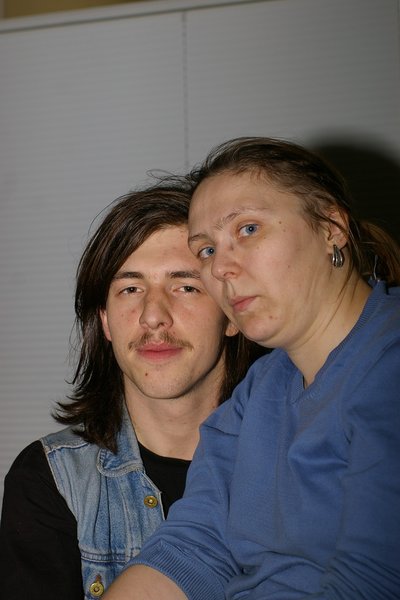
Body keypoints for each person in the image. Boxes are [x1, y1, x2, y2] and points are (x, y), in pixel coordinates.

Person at [102, 137, 400, 600]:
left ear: (331, 228)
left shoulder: (387, 364)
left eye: (247, 229)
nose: (221, 268)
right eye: (205, 250)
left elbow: (373, 581)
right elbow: (193, 549)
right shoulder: (261, 390)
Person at [0, 180, 264, 600]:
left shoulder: (295, 460)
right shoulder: (51, 480)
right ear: (105, 321)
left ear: (232, 313)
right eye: (130, 289)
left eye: (185, 286)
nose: (153, 316)